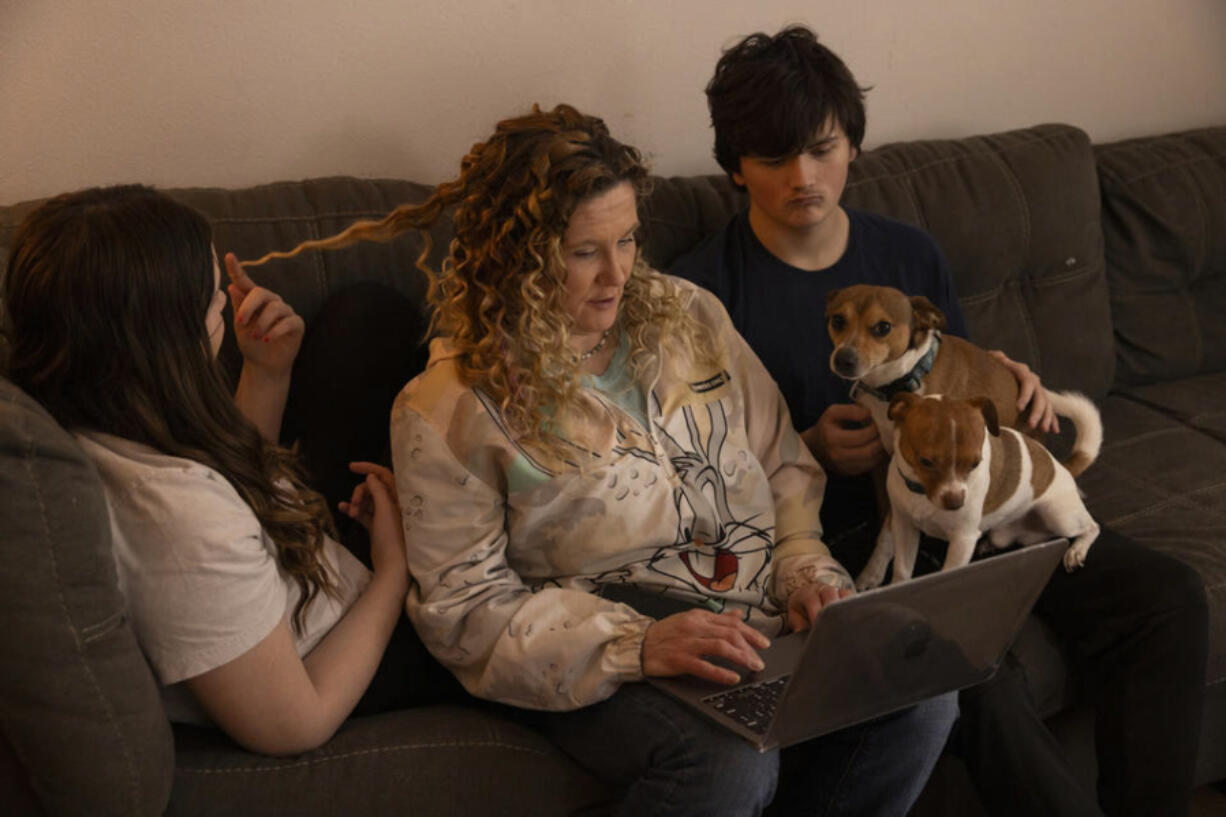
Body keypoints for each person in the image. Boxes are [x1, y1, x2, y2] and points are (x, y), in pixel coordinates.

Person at [249, 103, 958, 816]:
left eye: (627, 240)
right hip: (599, 662)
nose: (618, 274)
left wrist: (809, 574)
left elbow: (783, 468)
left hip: (755, 626)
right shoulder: (447, 406)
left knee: (919, 697)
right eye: (585, 251)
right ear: (518, 254)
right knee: (729, 766)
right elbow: (465, 611)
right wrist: (639, 644)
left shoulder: (692, 316)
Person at [669, 25, 1209, 817]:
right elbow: (689, 465)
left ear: (852, 142)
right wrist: (809, 448)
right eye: (773, 157)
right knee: (969, 680)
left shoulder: (909, 254)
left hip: (985, 499)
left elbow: (956, 383)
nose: (802, 176)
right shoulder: (702, 293)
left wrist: (1008, 385)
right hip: (849, 539)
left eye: (822, 148)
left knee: (1169, 596)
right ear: (735, 165)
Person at [2, 185, 436, 756]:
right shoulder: (179, 524)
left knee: (367, 317)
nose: (226, 309)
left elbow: (223, 486)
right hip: (332, 648)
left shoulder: (101, 408)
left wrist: (266, 373)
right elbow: (295, 723)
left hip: (293, 559)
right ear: (163, 342)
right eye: (211, 301)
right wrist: (393, 569)